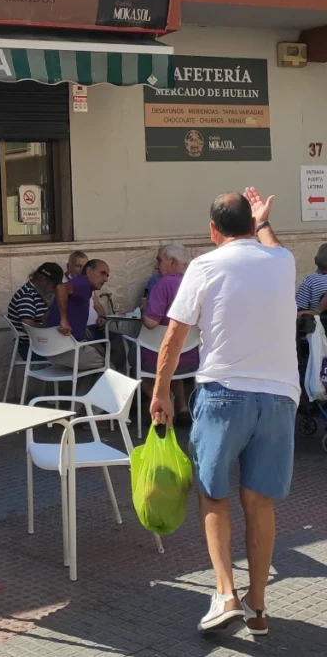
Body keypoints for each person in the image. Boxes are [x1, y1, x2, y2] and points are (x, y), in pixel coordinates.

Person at [151, 188, 299, 636]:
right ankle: (257, 606)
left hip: (222, 393)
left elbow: (174, 338)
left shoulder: (204, 266)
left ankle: (225, 593)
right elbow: (271, 245)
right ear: (252, 229)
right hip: (279, 398)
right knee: (260, 499)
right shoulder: (283, 260)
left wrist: (159, 392)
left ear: (212, 230)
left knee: (213, 493)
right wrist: (264, 220)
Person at [139, 242, 198, 427]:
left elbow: (151, 323)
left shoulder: (163, 284)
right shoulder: (196, 282)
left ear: (172, 261)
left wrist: (143, 310)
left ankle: (164, 407)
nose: (157, 265)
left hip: (159, 356)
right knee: (172, 357)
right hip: (192, 357)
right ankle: (182, 408)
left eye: (159, 260)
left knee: (134, 360)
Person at [45, 259, 109, 369]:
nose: (106, 279)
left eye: (107, 276)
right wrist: (63, 320)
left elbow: (45, 316)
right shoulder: (83, 283)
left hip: (52, 349)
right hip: (66, 349)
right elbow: (60, 288)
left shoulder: (83, 287)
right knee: (108, 367)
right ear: (88, 271)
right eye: (102, 274)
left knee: (98, 357)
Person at [7, 262, 64, 328]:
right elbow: (28, 327)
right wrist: (49, 326)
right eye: (54, 286)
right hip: (30, 337)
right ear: (43, 280)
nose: (55, 290)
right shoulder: (26, 295)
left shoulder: (40, 293)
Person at [64, 251, 103, 331]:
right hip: (80, 332)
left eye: (84, 267)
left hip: (97, 327)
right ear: (68, 267)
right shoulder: (63, 286)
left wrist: (101, 317)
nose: (82, 270)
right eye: (78, 266)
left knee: (121, 339)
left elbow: (97, 305)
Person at [296, 242, 327, 316]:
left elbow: (300, 308)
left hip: (319, 324)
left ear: (315, 260)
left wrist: (317, 310)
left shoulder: (310, 281)